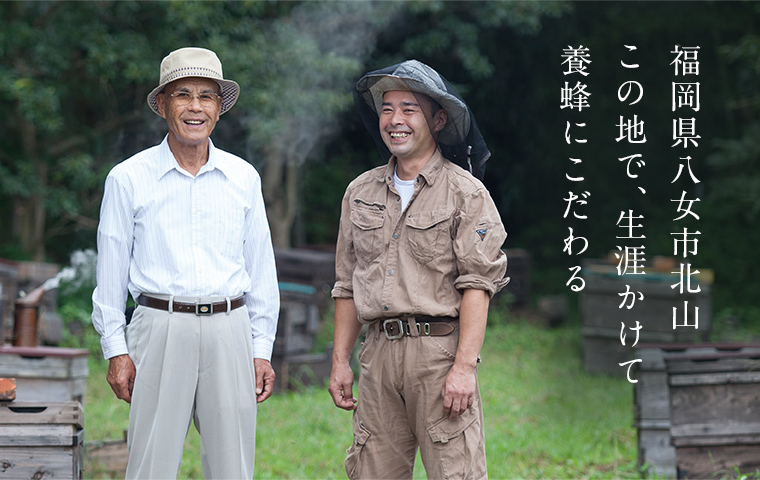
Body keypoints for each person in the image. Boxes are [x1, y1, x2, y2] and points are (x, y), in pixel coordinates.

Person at [91, 47, 280, 479]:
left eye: (206, 96)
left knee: (233, 467)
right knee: (150, 466)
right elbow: (110, 274)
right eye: (183, 95)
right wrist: (115, 350)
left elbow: (262, 270)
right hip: (158, 327)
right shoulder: (128, 177)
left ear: (219, 109)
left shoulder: (243, 177)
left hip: (229, 327)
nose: (195, 107)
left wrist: (261, 348)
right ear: (163, 105)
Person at [328, 59, 509, 479]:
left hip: (439, 356)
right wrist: (340, 362)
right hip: (377, 354)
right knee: (372, 469)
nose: (395, 120)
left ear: (438, 119)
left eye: (409, 109)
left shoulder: (466, 193)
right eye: (387, 109)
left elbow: (478, 285)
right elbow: (346, 284)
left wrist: (463, 368)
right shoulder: (360, 192)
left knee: (454, 471)